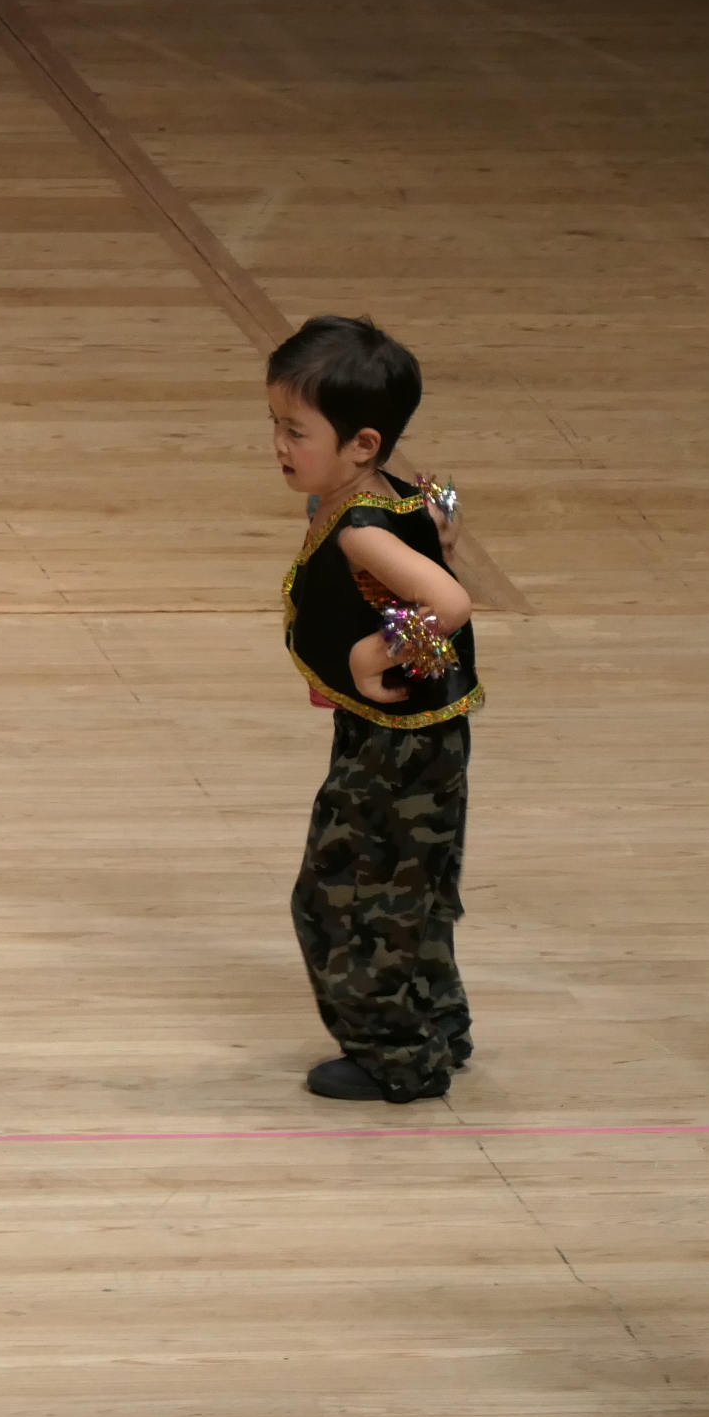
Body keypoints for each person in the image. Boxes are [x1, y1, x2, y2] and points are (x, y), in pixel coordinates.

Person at [272, 315, 483, 1103]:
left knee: (342, 898)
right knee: (411, 884)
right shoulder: (378, 496)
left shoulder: (361, 529)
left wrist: (375, 653)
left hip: (399, 750)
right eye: (275, 424)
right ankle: (435, 1024)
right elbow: (438, 537)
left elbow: (450, 605)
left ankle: (396, 1056)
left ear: (363, 444)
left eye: (296, 431)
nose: (279, 444)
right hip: (404, 737)